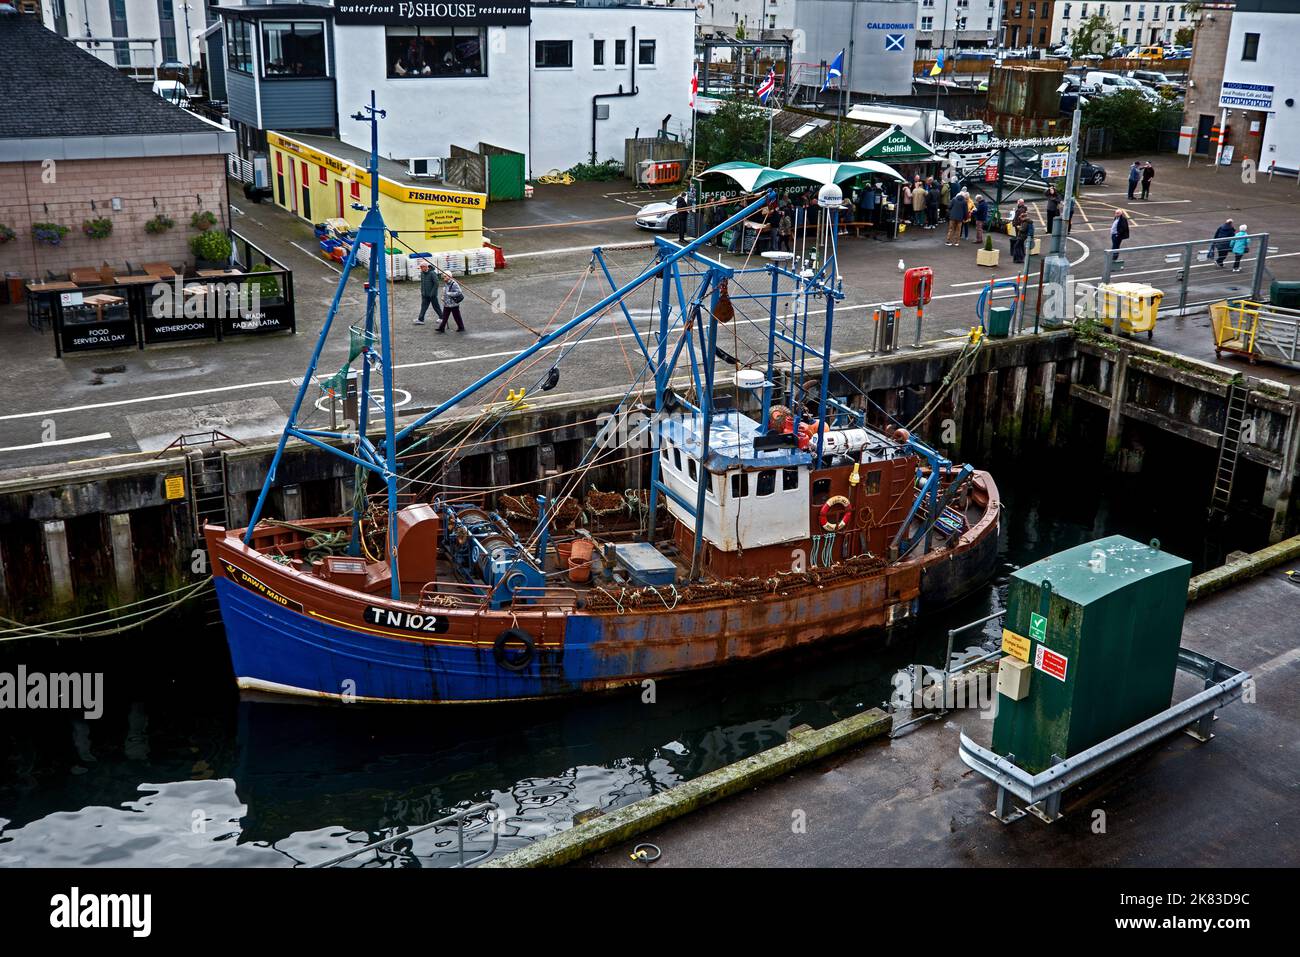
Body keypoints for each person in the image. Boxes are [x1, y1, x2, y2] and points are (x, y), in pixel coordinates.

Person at [414, 260, 440, 325]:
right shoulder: (422, 273)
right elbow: (422, 283)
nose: (421, 269)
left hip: (432, 295)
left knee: (436, 306)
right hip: (425, 295)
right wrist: (422, 291)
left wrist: (432, 293)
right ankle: (421, 319)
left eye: (421, 267)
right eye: (420, 267)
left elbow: (436, 283)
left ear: (426, 267)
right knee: (423, 307)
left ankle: (442, 317)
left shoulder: (432, 273)